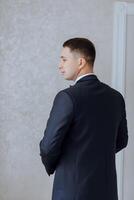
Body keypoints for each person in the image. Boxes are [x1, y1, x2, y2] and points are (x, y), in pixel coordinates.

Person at [39, 37, 129, 200]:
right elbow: (122, 141)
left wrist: (56, 165)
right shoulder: (116, 97)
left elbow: (48, 147)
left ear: (80, 62)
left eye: (64, 59)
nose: (60, 65)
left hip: (72, 190)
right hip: (107, 191)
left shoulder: (67, 97)